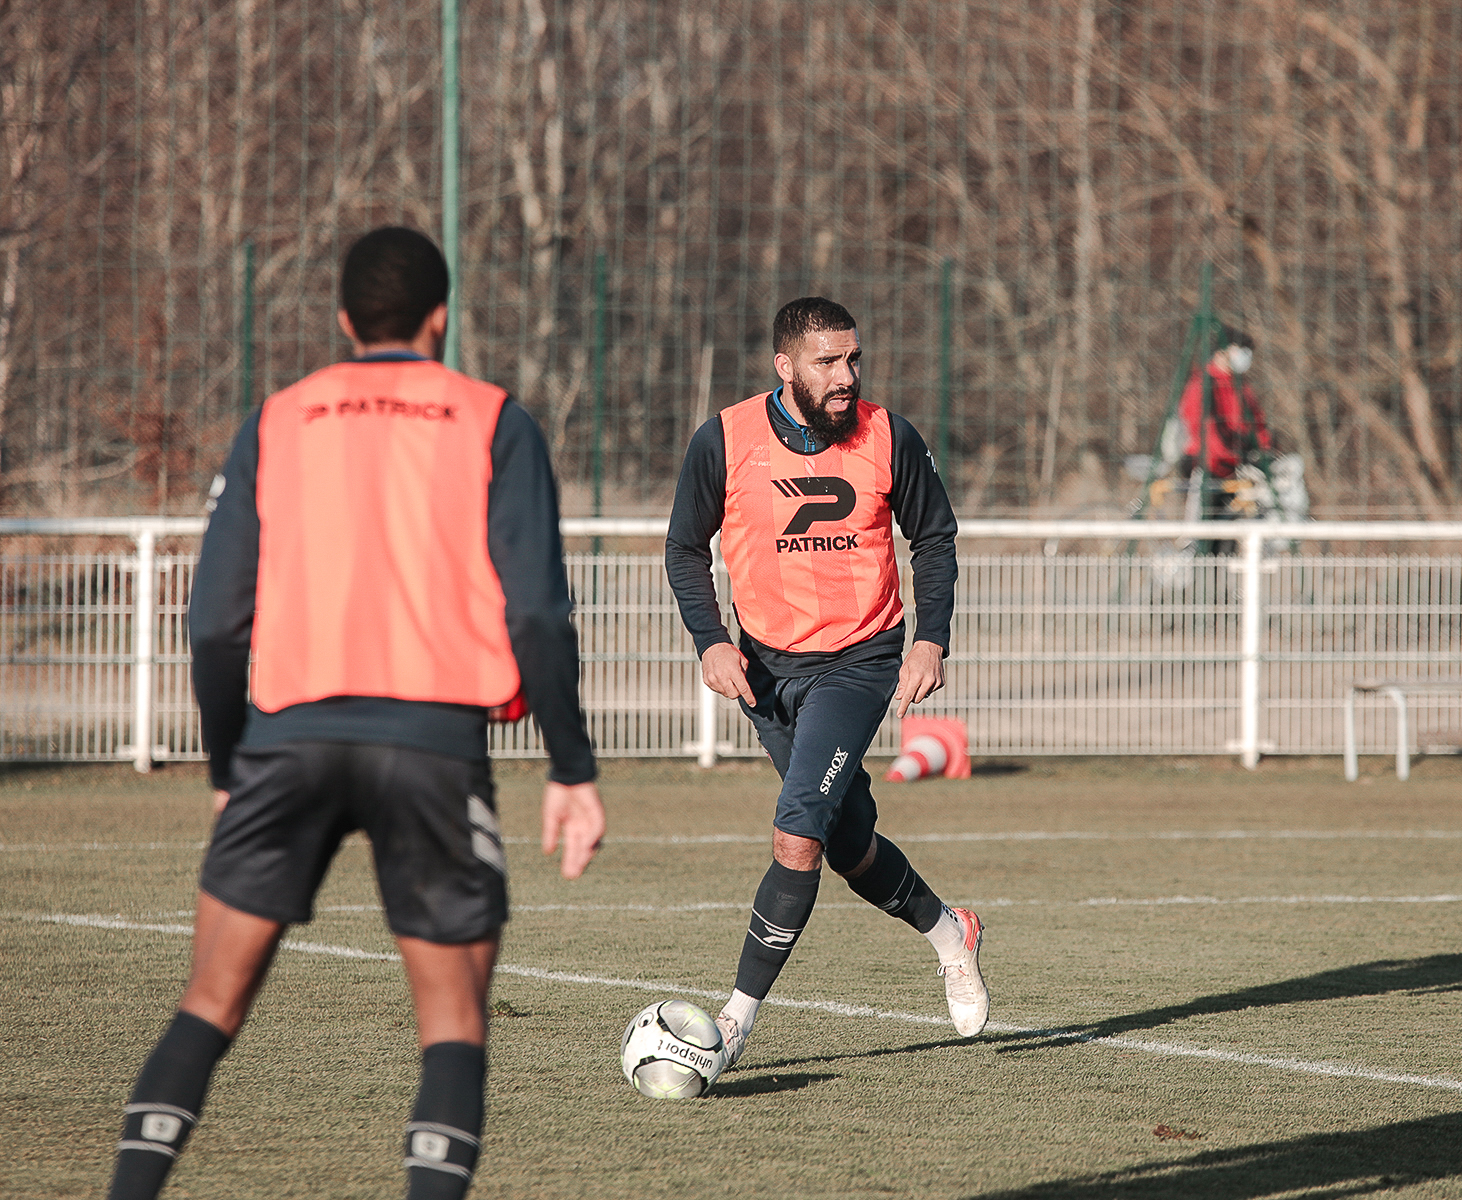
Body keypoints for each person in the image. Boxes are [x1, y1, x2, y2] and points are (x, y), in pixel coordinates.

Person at [105, 227, 605, 1200]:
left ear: (342, 321)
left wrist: (224, 770)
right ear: (440, 316)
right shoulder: (492, 418)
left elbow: (212, 623)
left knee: (208, 1006)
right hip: (431, 748)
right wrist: (571, 768)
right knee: (453, 1028)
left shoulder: (279, 418)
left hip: (285, 743)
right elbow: (538, 610)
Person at [664, 296, 987, 1068]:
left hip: (860, 660)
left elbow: (933, 538)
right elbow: (683, 548)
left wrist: (930, 639)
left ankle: (734, 1022)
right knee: (847, 844)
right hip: (767, 671)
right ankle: (951, 930)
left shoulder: (887, 434)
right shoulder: (726, 438)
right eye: (828, 362)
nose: (847, 376)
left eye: (853, 359)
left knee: (797, 831)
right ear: (786, 368)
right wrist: (711, 641)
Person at [1176, 325, 1272, 504]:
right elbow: (1201, 429)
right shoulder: (1202, 384)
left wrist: (1263, 451)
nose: (1246, 356)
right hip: (1208, 464)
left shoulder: (1242, 386)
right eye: (1240, 350)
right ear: (1221, 351)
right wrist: (1231, 458)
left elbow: (1257, 424)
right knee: (1209, 518)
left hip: (1238, 463)